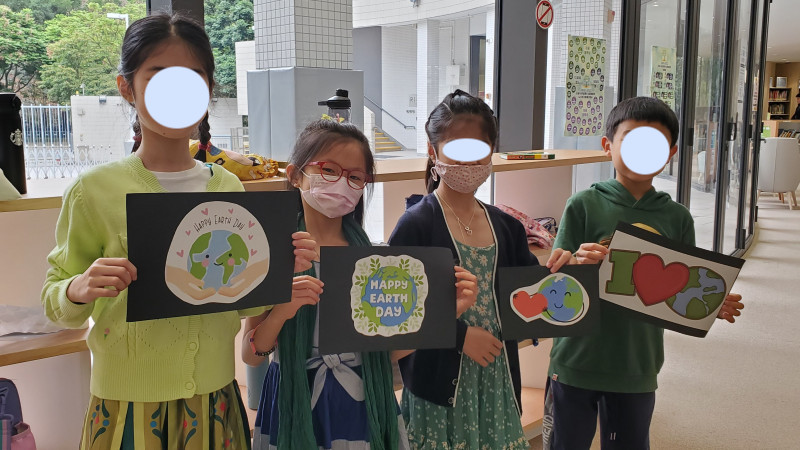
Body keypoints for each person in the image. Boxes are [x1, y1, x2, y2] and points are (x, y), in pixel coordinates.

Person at [41, 13, 315, 449]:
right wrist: (78, 288)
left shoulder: (227, 186)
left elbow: (241, 301)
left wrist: (279, 268)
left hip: (215, 398)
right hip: (126, 404)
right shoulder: (93, 190)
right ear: (127, 87)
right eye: (158, 76)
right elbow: (56, 304)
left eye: (192, 79)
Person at [543, 96, 745, 450]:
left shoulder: (677, 218)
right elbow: (555, 285)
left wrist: (708, 302)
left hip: (637, 364)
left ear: (671, 153)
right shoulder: (583, 205)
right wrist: (574, 261)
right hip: (575, 358)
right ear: (607, 146)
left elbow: (679, 288)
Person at [387, 90, 574, 449]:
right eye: (456, 148)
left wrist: (566, 271)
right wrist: (459, 336)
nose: (469, 162)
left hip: (497, 376)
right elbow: (397, 316)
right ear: (432, 151)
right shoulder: (416, 225)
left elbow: (529, 301)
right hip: (436, 384)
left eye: (479, 149)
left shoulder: (507, 226)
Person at [243, 119, 410, 450]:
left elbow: (388, 353)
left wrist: (435, 319)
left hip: (362, 402)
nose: (342, 183)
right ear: (295, 175)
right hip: (294, 401)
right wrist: (282, 311)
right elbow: (251, 355)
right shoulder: (271, 252)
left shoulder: (373, 260)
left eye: (355, 177)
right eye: (329, 170)